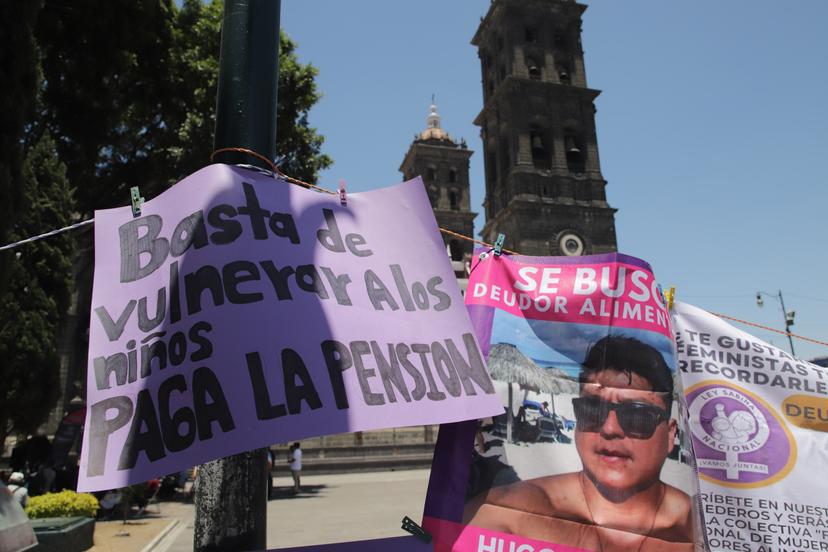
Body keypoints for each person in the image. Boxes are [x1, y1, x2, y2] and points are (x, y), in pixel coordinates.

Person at [464, 336, 694, 552]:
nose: (609, 429)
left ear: (670, 434)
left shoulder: (701, 529)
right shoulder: (510, 514)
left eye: (636, 415)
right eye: (592, 410)